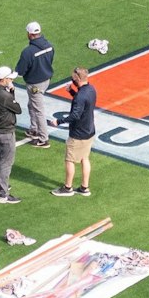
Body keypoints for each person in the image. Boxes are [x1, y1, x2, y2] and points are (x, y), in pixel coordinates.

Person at [52, 65, 97, 198]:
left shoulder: (80, 96)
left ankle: (68, 187)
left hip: (78, 133)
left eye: (73, 78)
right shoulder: (91, 89)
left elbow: (75, 115)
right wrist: (72, 92)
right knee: (84, 158)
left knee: (69, 160)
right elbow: (83, 103)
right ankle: (84, 187)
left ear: (77, 78)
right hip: (89, 130)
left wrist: (58, 121)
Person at [0, 67, 23, 204]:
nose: (12, 81)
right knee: (6, 162)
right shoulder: (4, 96)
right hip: (5, 131)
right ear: (5, 79)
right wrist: (12, 92)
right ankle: (3, 194)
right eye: (10, 79)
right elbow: (18, 109)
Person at [16, 21, 55, 148]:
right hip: (46, 80)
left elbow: (20, 71)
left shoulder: (28, 52)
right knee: (32, 105)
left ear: (30, 34)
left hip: (34, 84)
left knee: (38, 110)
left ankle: (43, 138)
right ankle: (34, 129)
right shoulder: (49, 45)